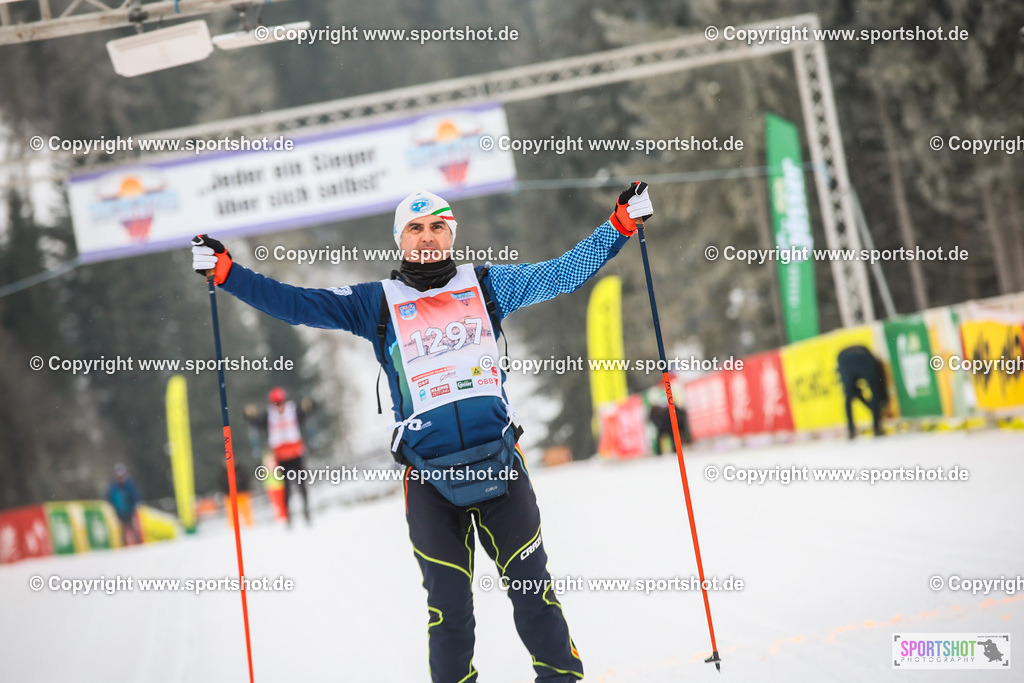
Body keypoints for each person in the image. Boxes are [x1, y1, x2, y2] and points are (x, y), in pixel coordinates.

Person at [191, 182, 654, 683]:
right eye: (415, 228)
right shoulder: (376, 304)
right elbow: (298, 303)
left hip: (500, 466)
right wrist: (228, 274)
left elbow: (561, 273)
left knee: (533, 595)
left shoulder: (486, 285)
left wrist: (621, 226)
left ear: (451, 234)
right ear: (400, 240)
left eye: (437, 227)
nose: (427, 237)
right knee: (449, 615)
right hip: (431, 483)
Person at [246, 388, 312, 526]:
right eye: (276, 403)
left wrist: (309, 406)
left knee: (301, 485)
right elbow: (256, 424)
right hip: (281, 458)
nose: (279, 405)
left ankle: (306, 512)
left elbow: (307, 414)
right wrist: (249, 416)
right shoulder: (269, 416)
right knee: (286, 488)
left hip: (296, 454)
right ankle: (288, 516)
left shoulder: (293, 411)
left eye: (280, 402)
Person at [837, 344, 890, 439]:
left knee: (848, 395)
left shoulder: (842, 360)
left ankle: (851, 430)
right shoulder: (874, 362)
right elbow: (880, 384)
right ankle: (877, 427)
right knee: (875, 391)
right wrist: (880, 404)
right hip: (862, 358)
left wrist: (868, 405)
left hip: (844, 360)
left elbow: (852, 392)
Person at [107, 463, 141, 545]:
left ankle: (133, 543)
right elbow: (109, 497)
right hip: (119, 511)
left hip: (129, 510)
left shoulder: (129, 484)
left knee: (131, 527)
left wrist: (133, 506)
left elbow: (135, 496)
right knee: (123, 529)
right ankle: (127, 544)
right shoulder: (113, 485)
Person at [218, 457, 254, 528]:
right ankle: (233, 526)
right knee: (232, 512)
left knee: (246, 510)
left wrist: (247, 489)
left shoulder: (240, 469)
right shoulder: (223, 472)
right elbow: (221, 483)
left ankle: (248, 525)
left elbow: (247, 479)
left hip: (242, 493)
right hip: (230, 495)